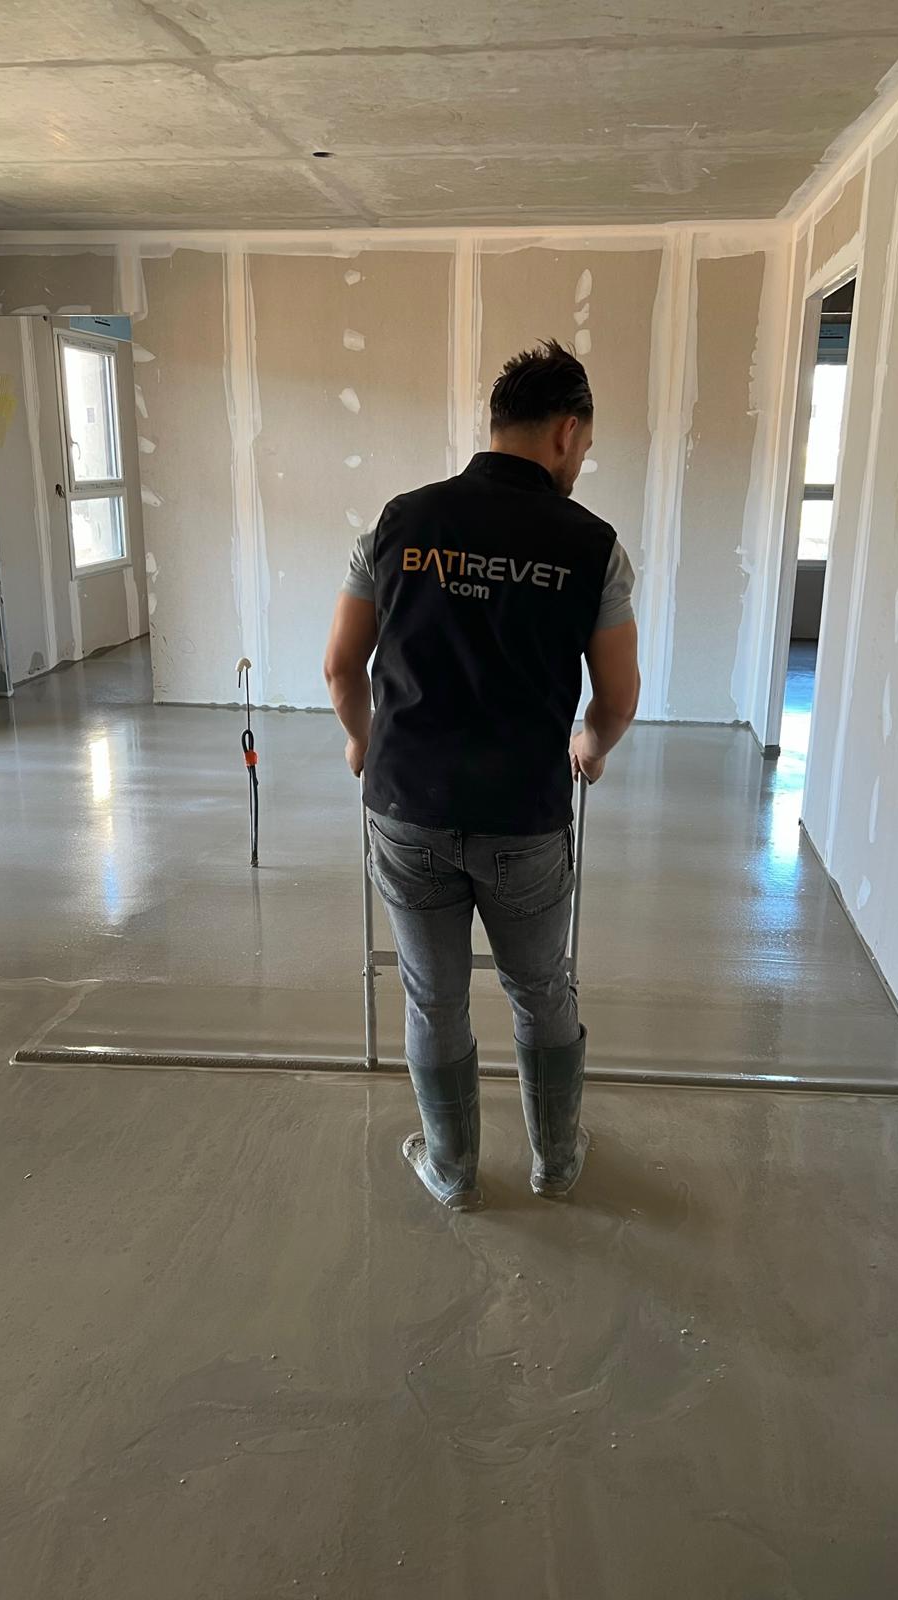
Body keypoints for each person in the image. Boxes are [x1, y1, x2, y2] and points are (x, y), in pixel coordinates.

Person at [323, 340, 640, 1211]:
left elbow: (342, 668)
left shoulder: (398, 523)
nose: (581, 462)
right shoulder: (593, 547)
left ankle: (453, 1172)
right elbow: (618, 697)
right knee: (540, 989)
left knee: (434, 998)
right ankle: (556, 1162)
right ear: (566, 434)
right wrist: (591, 747)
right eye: (585, 447)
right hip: (523, 818)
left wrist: (361, 742)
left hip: (407, 807)